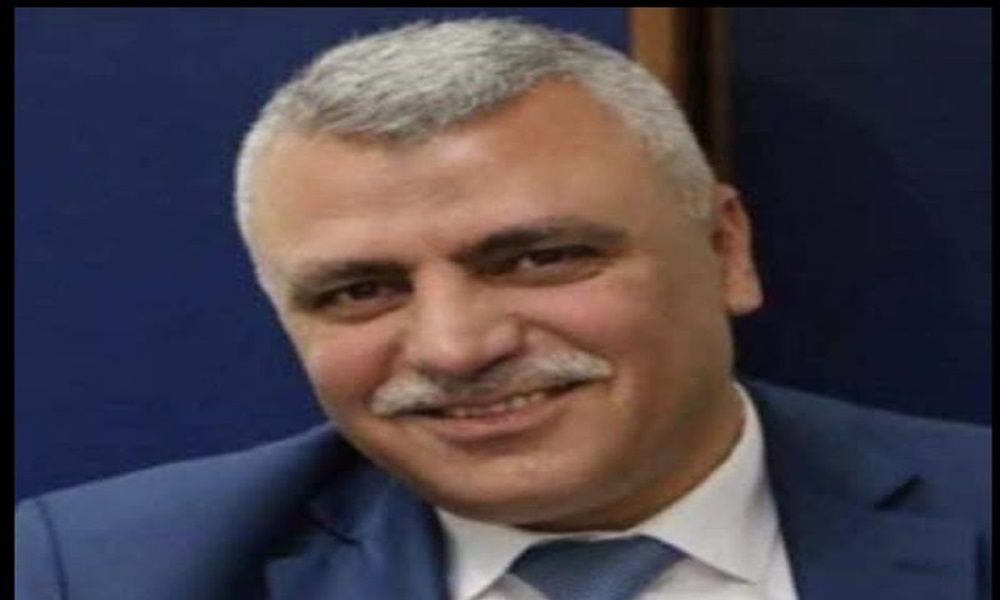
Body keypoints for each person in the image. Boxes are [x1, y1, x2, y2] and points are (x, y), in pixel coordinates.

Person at [15, 18, 990, 600]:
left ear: (724, 251)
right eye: (361, 291)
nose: (453, 348)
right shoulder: (94, 576)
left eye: (540, 258)